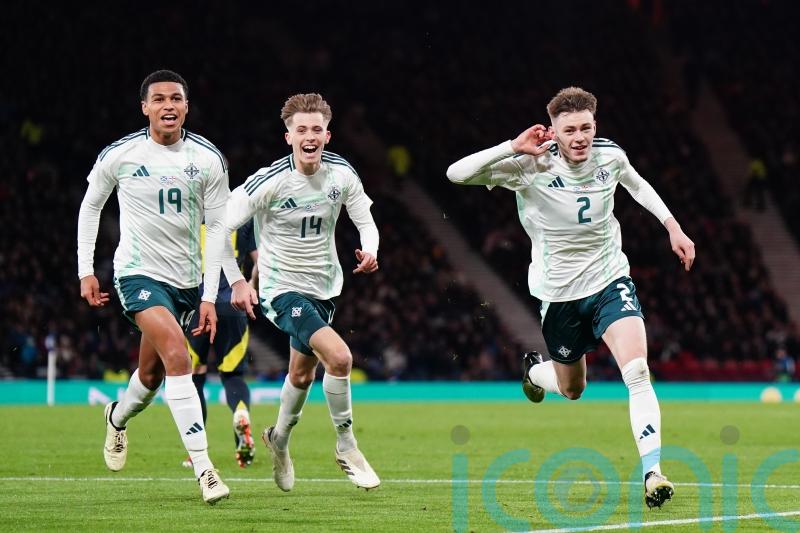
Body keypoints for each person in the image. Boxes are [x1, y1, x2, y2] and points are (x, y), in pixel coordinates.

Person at [446, 87, 696, 509]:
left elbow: (637, 185)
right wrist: (512, 146)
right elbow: (456, 173)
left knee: (637, 372)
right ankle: (534, 373)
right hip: (559, 296)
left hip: (609, 280)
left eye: (586, 127)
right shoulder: (529, 165)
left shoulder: (609, 156)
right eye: (570, 129)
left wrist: (673, 226)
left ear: (595, 125)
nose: (580, 137)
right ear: (554, 131)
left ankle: (653, 471)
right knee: (572, 388)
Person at [77, 69, 251, 504]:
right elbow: (90, 207)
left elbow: (217, 230)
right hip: (136, 273)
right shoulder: (120, 154)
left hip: (188, 284)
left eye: (176, 98)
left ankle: (116, 417)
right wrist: (85, 270)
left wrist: (215, 294)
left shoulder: (208, 159)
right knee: (178, 356)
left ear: (187, 107)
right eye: (159, 99)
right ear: (145, 108)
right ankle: (206, 470)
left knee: (152, 376)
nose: (168, 106)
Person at [204, 93, 381, 491]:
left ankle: (278, 440)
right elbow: (219, 228)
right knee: (339, 358)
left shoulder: (342, 175)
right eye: (301, 129)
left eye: (316, 129)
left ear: (327, 134)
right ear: (288, 137)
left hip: (325, 286)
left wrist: (370, 251)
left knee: (302, 374)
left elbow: (366, 222)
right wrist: (235, 280)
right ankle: (347, 445)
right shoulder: (268, 182)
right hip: (281, 289)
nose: (309, 136)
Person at [182, 219, 259, 469]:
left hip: (199, 304)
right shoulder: (243, 218)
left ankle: (197, 450)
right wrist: (251, 286)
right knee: (233, 374)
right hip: (233, 303)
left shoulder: (191, 215)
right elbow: (260, 260)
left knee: (195, 376)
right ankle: (240, 412)